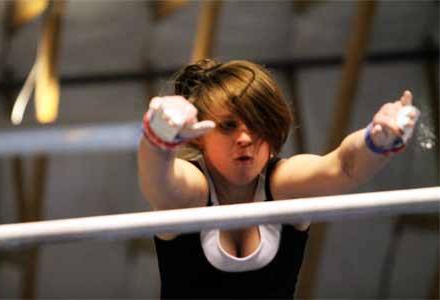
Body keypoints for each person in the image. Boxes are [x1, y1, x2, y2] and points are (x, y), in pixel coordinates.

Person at [137, 59, 419, 299]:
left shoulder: (284, 184)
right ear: (200, 137)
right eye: (228, 126)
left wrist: (377, 140)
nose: (245, 139)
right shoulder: (194, 189)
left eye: (258, 125)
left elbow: (343, 166)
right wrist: (158, 137)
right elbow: (160, 183)